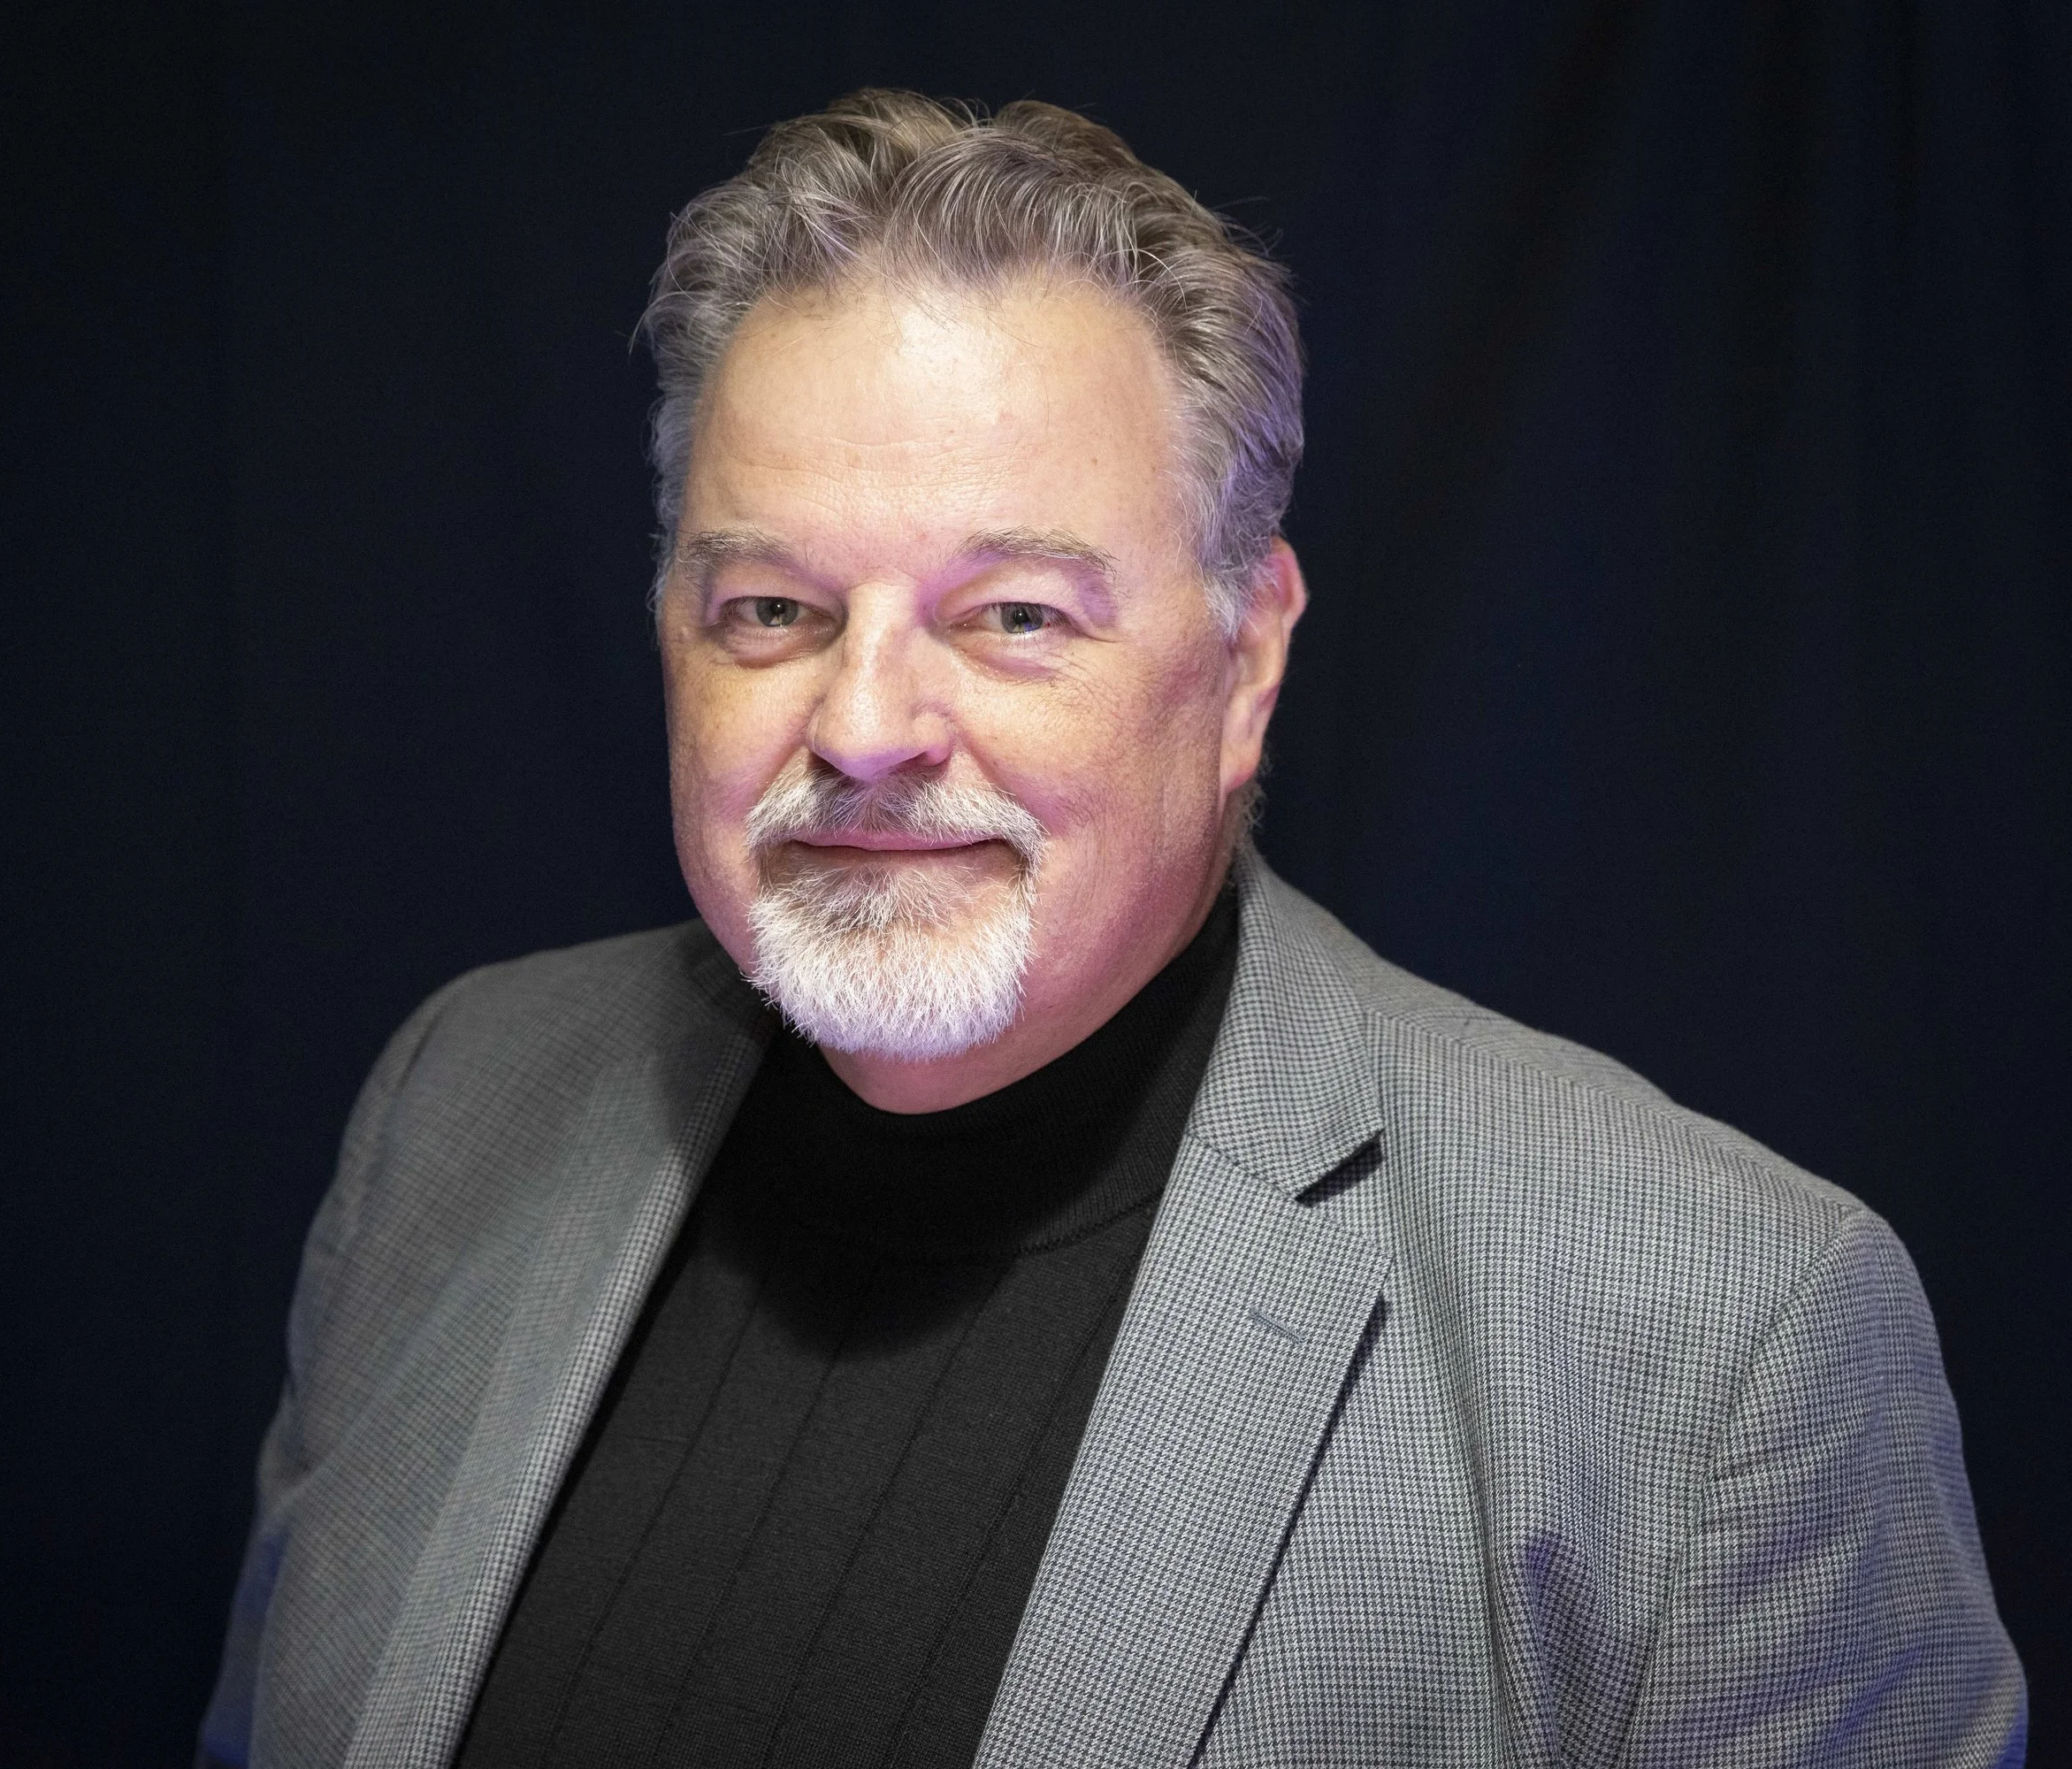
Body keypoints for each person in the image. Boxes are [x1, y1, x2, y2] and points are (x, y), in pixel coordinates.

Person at [198, 90, 2023, 1769]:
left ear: (1246, 661)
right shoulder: (456, 1104)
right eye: (771, 607)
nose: (863, 726)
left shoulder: (1713, 1344)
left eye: (1010, 617)